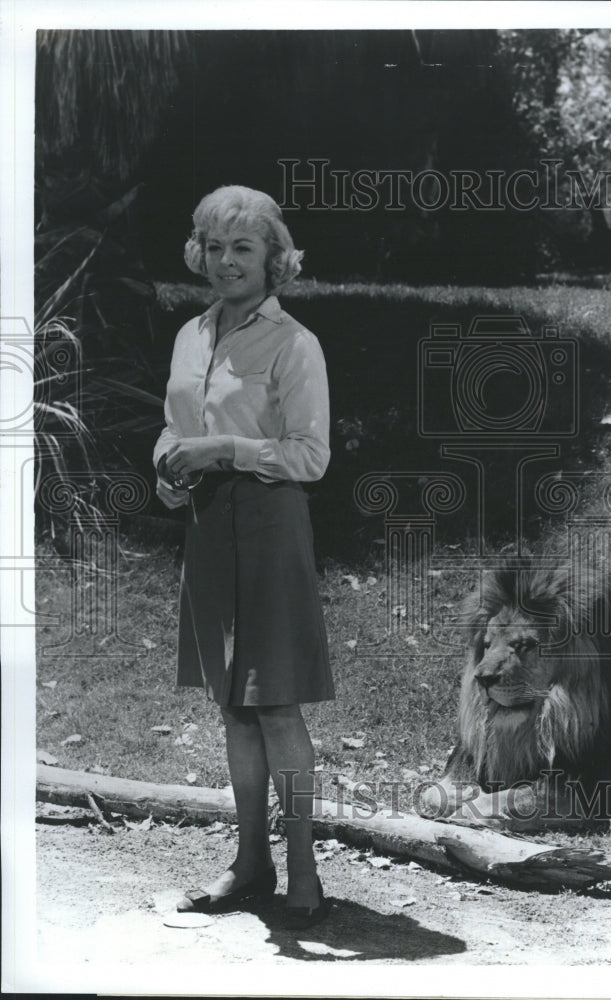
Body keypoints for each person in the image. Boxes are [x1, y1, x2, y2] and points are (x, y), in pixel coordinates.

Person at [153, 185, 334, 929]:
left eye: (244, 248)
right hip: (206, 528)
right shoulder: (191, 335)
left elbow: (311, 456)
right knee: (233, 707)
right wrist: (168, 468)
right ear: (199, 253)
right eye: (215, 246)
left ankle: (304, 871)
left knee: (277, 704)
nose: (227, 261)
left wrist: (225, 448)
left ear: (273, 259)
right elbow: (174, 428)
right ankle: (250, 861)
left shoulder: (294, 344)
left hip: (268, 526)